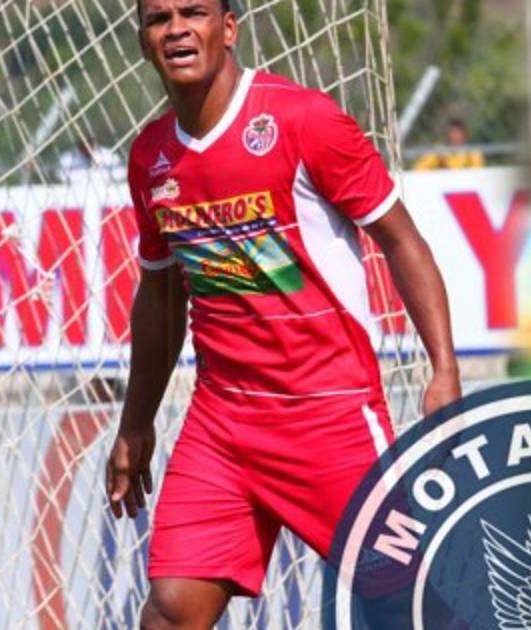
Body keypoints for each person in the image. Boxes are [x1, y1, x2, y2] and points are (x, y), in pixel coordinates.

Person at [106, 1, 461, 627]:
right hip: (222, 422)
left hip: (329, 416)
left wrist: (444, 368)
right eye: (159, 19)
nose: (177, 28)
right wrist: (135, 423)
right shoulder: (150, 157)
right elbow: (160, 297)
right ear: (144, 42)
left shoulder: (304, 121)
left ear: (228, 29)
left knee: (408, 610)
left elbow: (404, 242)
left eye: (194, 12)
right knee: (171, 610)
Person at [412, 117, 486, 170]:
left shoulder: (472, 153)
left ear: (465, 135)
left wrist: (447, 165)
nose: (454, 137)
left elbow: (477, 173)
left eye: (457, 133)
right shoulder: (440, 151)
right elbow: (419, 169)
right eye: (451, 133)